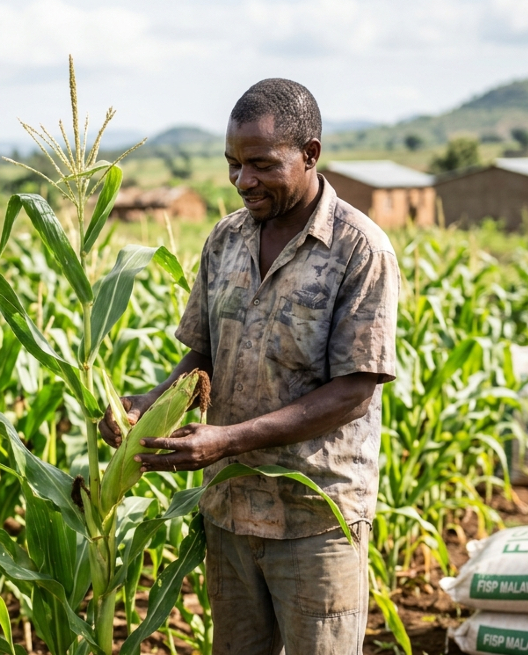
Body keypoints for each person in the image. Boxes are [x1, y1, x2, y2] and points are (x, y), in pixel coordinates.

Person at [100, 78, 400, 654]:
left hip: (316, 519)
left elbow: (353, 392)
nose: (243, 181)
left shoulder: (360, 249)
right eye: (233, 164)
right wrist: (144, 409)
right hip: (230, 514)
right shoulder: (226, 239)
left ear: (310, 154)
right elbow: (202, 355)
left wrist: (225, 441)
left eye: (261, 164)